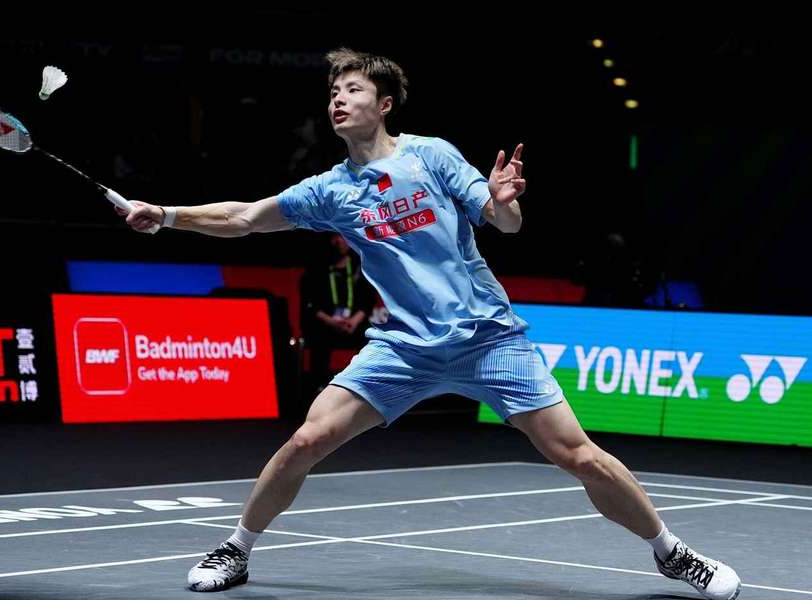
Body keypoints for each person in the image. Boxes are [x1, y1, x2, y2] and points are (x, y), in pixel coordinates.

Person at [122, 48, 740, 600]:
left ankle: (671, 552)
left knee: (578, 455)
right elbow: (245, 217)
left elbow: (504, 221)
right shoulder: (331, 190)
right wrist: (168, 214)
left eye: (353, 90)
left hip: (487, 337)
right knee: (307, 441)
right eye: (333, 92)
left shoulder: (431, 155)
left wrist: (503, 202)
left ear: (384, 104)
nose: (338, 99)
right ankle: (236, 549)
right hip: (405, 346)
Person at [301, 232, 375, 394]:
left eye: (342, 236)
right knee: (318, 339)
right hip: (326, 324)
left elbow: (368, 301)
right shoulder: (316, 269)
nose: (339, 241)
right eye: (335, 237)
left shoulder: (360, 266)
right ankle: (319, 387)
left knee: (374, 339)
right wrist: (331, 322)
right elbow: (310, 305)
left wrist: (354, 321)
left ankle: (368, 386)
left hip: (354, 323)